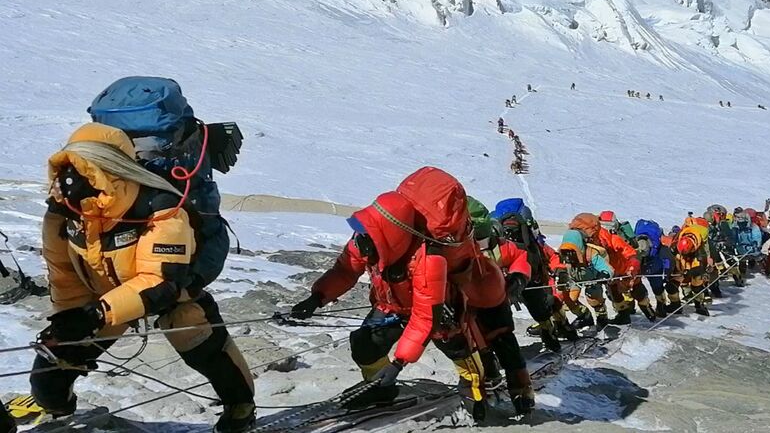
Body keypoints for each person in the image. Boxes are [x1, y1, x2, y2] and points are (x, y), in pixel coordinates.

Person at [27, 124, 254, 432]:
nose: (69, 178)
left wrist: (96, 314)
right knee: (50, 371)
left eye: (82, 168)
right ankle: (60, 415)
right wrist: (69, 315)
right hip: (106, 299)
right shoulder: (66, 213)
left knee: (209, 354)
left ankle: (241, 409)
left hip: (169, 295)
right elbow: (64, 270)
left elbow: (161, 282)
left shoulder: (160, 207)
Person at [292, 170, 534, 419]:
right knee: (364, 344)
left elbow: (425, 317)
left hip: (443, 313)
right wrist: (317, 297)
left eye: (366, 235)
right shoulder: (369, 238)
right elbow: (345, 269)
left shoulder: (428, 260)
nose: (360, 239)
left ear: (388, 234)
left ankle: (488, 391)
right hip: (392, 306)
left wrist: (398, 363)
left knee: (464, 355)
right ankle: (379, 388)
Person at [470, 202, 559, 353]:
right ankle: (549, 333)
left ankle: (493, 354)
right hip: (515, 282)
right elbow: (521, 256)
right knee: (538, 308)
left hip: (505, 284)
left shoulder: (495, 246)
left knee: (493, 320)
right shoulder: (505, 245)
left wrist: (518, 277)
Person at [570, 213, 639, 326]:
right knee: (595, 292)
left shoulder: (608, 237)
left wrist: (630, 269)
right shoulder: (585, 236)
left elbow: (629, 253)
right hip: (595, 267)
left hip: (610, 268)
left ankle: (618, 315)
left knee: (612, 290)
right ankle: (605, 317)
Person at [555, 225, 613, 330]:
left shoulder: (591, 253)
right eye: (566, 252)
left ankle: (602, 318)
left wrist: (604, 274)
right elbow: (556, 264)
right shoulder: (562, 254)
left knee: (594, 298)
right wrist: (560, 273)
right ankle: (585, 316)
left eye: (572, 252)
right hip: (574, 279)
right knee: (568, 298)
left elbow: (606, 268)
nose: (569, 256)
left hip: (593, 279)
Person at [631, 220, 673, 319]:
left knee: (656, 286)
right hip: (651, 266)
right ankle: (657, 307)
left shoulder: (658, 246)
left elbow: (668, 259)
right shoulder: (636, 247)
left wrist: (667, 273)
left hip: (653, 265)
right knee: (655, 286)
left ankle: (658, 306)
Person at [669, 226, 710, 316]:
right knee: (671, 286)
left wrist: (689, 272)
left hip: (694, 268)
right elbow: (670, 255)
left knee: (697, 286)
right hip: (680, 265)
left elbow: (700, 268)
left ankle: (699, 305)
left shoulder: (700, 252)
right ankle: (675, 305)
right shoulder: (677, 241)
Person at [732, 210, 764, 275]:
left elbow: (757, 236)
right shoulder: (735, 228)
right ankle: (742, 273)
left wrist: (757, 243)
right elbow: (734, 237)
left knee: (759, 257)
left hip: (753, 248)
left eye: (742, 222)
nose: (741, 224)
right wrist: (732, 243)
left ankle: (765, 270)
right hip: (741, 248)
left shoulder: (753, 227)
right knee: (742, 259)